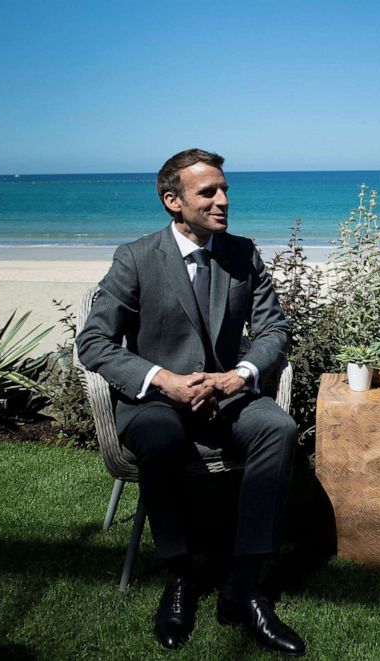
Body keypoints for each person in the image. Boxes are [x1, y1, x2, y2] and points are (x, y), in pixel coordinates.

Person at [77, 148, 305, 656]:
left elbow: (274, 330)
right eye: (209, 192)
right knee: (161, 437)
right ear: (172, 202)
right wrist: (162, 380)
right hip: (158, 400)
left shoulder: (242, 254)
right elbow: (93, 343)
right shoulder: (135, 258)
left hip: (226, 396)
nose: (223, 200)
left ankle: (244, 587)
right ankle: (179, 577)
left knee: (279, 428)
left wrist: (239, 374)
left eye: (224, 190)